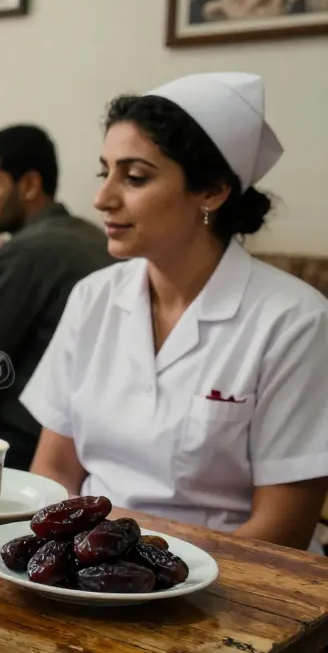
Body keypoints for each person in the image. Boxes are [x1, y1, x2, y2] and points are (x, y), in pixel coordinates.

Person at [22, 72, 328, 551]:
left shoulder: (294, 321)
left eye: (135, 177)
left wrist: (149, 571)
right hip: (91, 565)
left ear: (212, 191)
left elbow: (283, 529)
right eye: (105, 173)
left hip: (230, 576)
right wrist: (74, 562)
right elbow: (55, 469)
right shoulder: (93, 297)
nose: (102, 198)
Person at [0, 125, 114, 470]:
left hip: (28, 442)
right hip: (92, 437)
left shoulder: (28, 251)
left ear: (29, 184)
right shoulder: (94, 236)